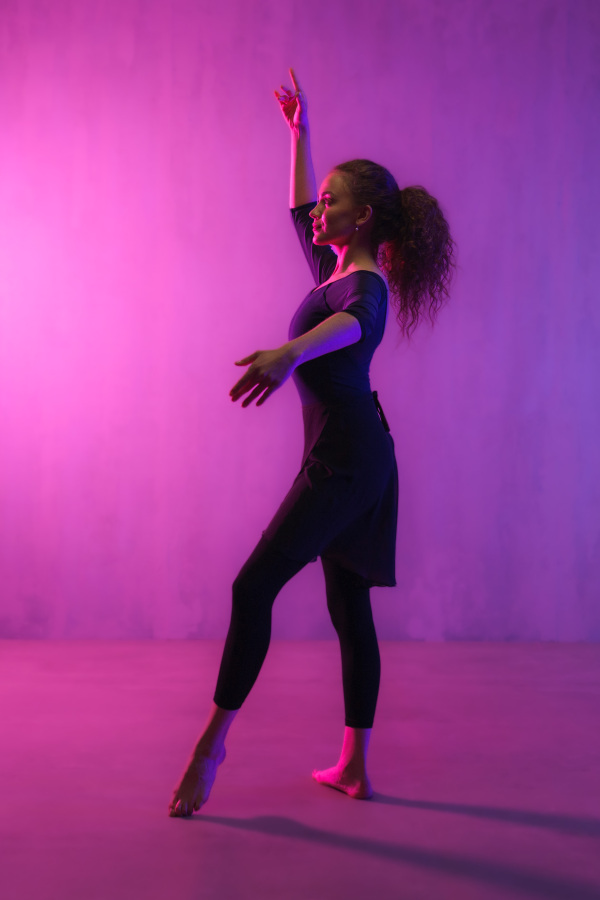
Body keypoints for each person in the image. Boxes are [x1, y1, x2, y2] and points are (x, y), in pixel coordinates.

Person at [168, 69, 455, 817]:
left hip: (348, 462)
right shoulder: (331, 268)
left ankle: (210, 749)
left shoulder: (365, 289)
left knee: (251, 586)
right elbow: (297, 207)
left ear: (361, 220)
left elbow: (355, 327)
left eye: (332, 202)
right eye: (323, 200)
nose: (317, 210)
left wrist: (287, 352)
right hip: (361, 457)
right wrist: (298, 135)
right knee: (348, 608)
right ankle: (355, 767)